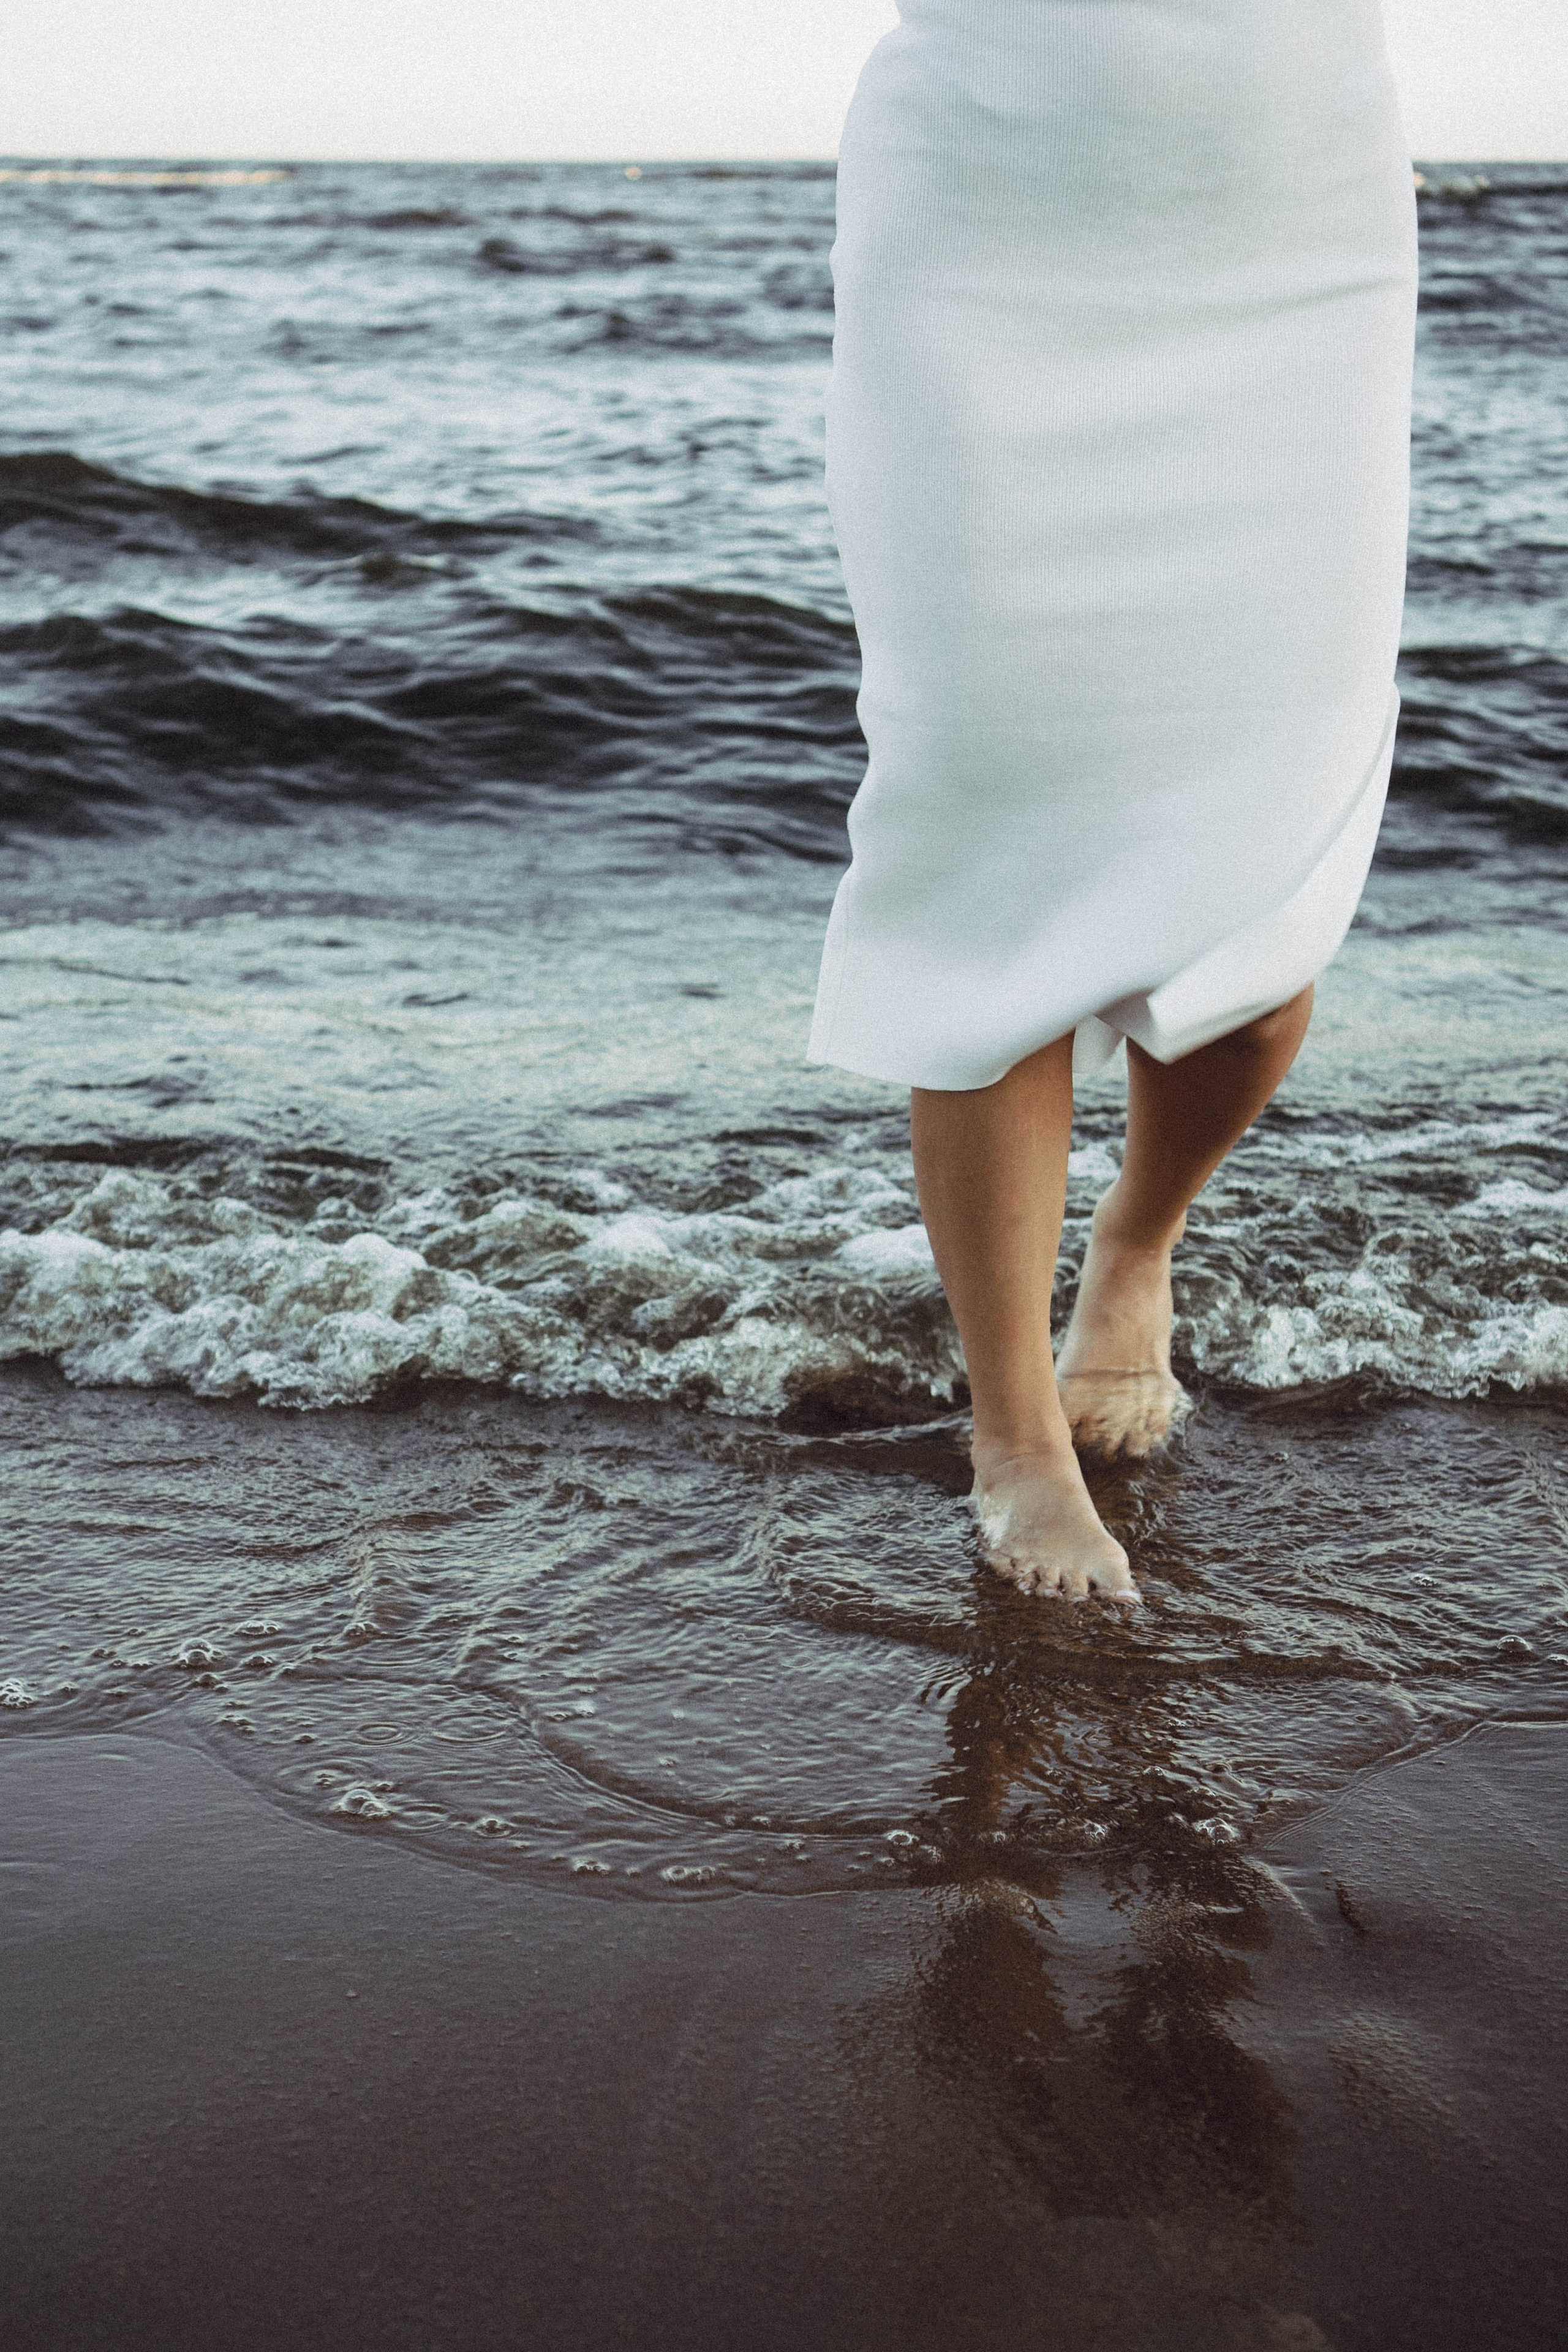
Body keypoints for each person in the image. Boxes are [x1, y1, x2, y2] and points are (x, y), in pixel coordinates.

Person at [808, 0, 1419, 1602]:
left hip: (1292, 230)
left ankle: (1138, 1240)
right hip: (987, 218)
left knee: (1265, 906)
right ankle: (1016, 1437)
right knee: (994, 858)